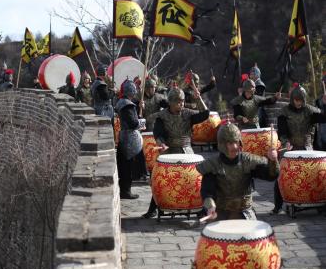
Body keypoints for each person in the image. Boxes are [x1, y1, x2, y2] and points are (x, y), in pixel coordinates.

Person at [142, 84, 210, 219]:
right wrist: (161, 144)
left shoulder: (188, 114)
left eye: (182, 101)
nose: (181, 104)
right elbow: (158, 133)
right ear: (171, 102)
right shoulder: (162, 116)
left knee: (198, 178)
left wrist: (198, 99)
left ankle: (203, 207)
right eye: (178, 102)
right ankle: (153, 208)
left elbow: (205, 114)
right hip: (169, 150)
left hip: (187, 149)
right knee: (160, 179)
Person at [198, 123, 279, 220]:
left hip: (245, 212)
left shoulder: (249, 160)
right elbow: (207, 192)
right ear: (222, 144)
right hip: (221, 212)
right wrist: (210, 206)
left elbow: (271, 176)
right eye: (230, 143)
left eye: (236, 142)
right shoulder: (212, 165)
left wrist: (273, 161)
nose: (235, 147)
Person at [272, 83, 326, 213]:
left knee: (316, 176)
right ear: (292, 99)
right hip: (290, 149)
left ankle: (319, 203)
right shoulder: (284, 112)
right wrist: (285, 143)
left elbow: (324, 117)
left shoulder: (310, 111)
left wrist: (324, 104)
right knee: (281, 178)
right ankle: (278, 206)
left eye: (301, 100)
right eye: (296, 100)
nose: (298, 103)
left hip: (307, 149)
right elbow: (282, 132)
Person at [115, 79, 145, 199]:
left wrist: (139, 108)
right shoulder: (127, 104)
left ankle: (125, 190)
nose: (136, 91)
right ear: (131, 90)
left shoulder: (122, 102)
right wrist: (141, 122)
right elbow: (133, 123)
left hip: (126, 136)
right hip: (129, 138)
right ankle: (126, 191)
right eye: (135, 89)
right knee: (127, 167)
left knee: (126, 166)